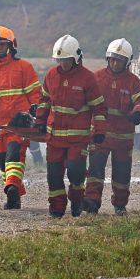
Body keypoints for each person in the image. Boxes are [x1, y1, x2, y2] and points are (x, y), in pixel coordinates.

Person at [35, 35, 105, 218]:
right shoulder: (51, 75)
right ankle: (56, 209)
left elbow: (99, 107)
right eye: (60, 60)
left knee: (76, 173)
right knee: (54, 176)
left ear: (76, 58)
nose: (63, 64)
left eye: (66, 60)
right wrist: (40, 121)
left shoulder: (88, 78)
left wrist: (100, 131)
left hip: (78, 139)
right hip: (55, 139)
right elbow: (44, 100)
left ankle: (76, 201)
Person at [85, 38, 140, 216]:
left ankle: (120, 204)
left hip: (123, 138)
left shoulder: (133, 82)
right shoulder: (96, 78)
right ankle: (92, 202)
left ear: (126, 62)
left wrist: (138, 112)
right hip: (100, 136)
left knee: (122, 174)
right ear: (108, 59)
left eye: (119, 60)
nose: (115, 63)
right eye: (113, 59)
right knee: (95, 171)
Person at [0, 25, 40, 209]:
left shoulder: (24, 67)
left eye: (2, 45)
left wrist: (35, 112)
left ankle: (12, 189)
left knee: (14, 156)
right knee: (3, 165)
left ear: (10, 46)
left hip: (19, 123)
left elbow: (35, 94)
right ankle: (14, 195)